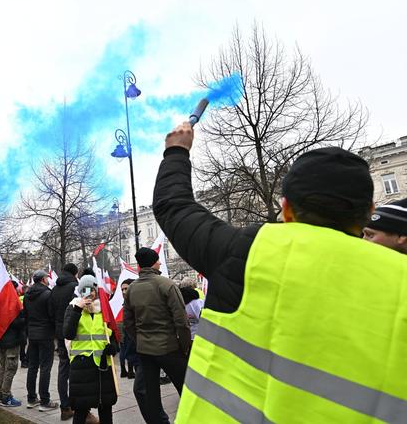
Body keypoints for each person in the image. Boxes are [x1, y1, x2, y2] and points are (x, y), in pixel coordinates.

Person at [153, 121, 407, 422]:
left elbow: (174, 207)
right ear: (369, 211)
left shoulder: (244, 250)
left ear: (286, 208)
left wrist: (177, 151)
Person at [123, 247, 189, 424]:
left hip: (145, 351)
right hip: (169, 347)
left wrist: (140, 341)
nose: (160, 262)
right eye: (158, 260)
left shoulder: (131, 289)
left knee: (150, 395)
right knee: (188, 389)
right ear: (154, 262)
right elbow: (181, 321)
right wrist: (184, 346)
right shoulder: (167, 284)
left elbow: (128, 322)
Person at [63, 275, 118, 424]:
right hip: (82, 366)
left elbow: (112, 333)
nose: (90, 293)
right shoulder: (73, 307)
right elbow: (68, 333)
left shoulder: (103, 310)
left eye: (93, 289)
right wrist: (77, 310)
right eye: (86, 290)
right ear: (81, 291)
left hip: (103, 366)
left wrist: (113, 348)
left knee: (105, 406)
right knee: (81, 409)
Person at [24, 269, 58, 411]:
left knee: (32, 367)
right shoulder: (47, 294)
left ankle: (31, 399)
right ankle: (45, 401)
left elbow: (25, 314)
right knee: (45, 367)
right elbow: (51, 315)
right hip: (45, 334)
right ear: (43, 279)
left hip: (32, 334)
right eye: (47, 278)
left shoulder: (27, 295)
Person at [49, 262, 79, 420]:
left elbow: (50, 311)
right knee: (77, 369)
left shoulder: (54, 289)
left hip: (60, 333)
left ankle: (65, 407)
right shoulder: (75, 286)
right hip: (74, 334)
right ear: (76, 273)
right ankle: (78, 406)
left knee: (63, 368)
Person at [0, 280, 25, 407]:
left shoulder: (0, 301)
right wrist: (25, 317)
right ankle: (6, 397)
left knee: (3, 367)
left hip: (2, 340)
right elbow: (16, 323)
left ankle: (1, 393)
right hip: (12, 341)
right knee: (10, 369)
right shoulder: (11, 303)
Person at [117, 279, 134, 380]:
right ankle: (127, 370)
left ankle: (127, 370)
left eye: (126, 289)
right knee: (124, 349)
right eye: (122, 289)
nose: (123, 292)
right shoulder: (125, 303)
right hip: (122, 327)